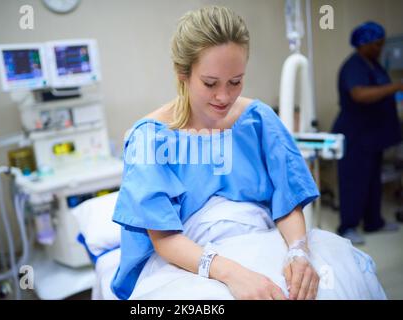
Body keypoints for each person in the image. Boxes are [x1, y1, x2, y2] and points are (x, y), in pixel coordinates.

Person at [110, 6, 386, 300]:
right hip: (192, 257)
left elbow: (288, 200)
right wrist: (234, 275)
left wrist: (297, 250)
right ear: (182, 74)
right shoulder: (150, 138)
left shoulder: (258, 120)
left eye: (236, 81)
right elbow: (165, 239)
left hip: (265, 237)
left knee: (342, 282)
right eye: (210, 83)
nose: (224, 97)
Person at [332, 21, 403, 245]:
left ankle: (374, 222)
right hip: (355, 135)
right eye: (376, 44)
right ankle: (348, 226)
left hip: (373, 135)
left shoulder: (374, 64)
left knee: (373, 180)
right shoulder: (354, 66)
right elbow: (360, 95)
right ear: (363, 44)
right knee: (354, 181)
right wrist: (397, 86)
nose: (379, 49)